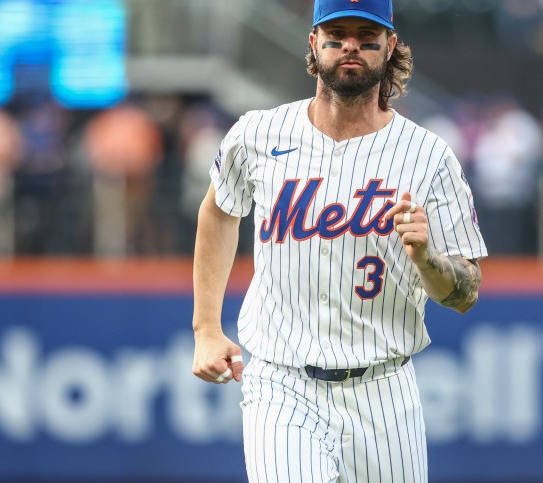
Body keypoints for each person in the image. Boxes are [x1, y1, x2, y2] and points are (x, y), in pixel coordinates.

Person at [190, 0, 487, 481]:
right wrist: (206, 328)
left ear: (390, 45)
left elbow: (466, 293)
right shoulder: (259, 133)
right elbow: (219, 211)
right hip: (281, 380)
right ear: (314, 42)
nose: (351, 44)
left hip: (384, 387)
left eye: (367, 34)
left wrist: (428, 259)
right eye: (337, 32)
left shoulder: (429, 156)